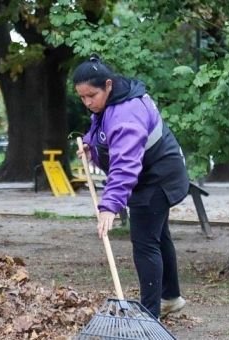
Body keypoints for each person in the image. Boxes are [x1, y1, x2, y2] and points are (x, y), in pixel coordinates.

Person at [74, 55, 189, 319]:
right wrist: (91, 144)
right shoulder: (109, 103)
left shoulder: (127, 113)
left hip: (157, 177)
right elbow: (100, 127)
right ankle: (170, 298)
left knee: (145, 242)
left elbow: (125, 165)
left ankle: (151, 314)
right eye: (82, 98)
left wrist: (109, 206)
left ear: (108, 85)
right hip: (151, 174)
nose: (88, 103)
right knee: (158, 235)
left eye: (91, 95)